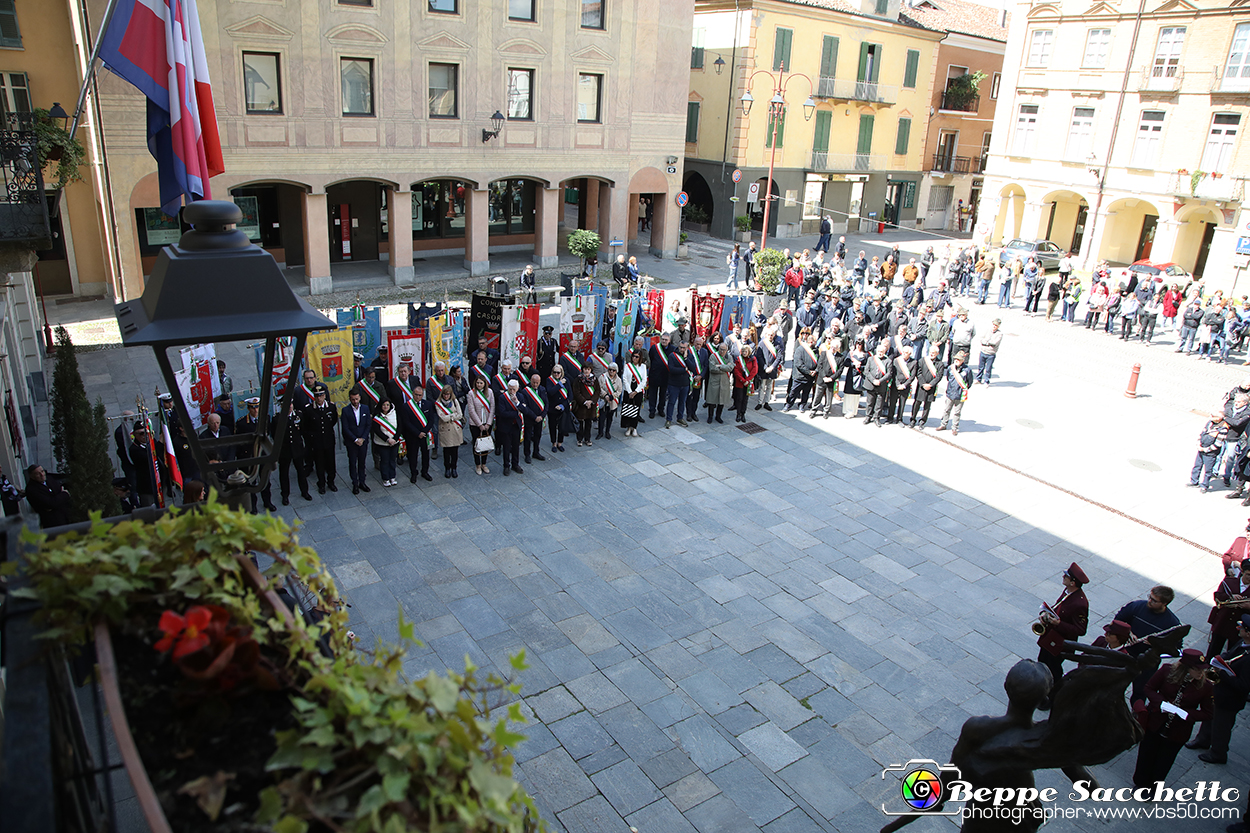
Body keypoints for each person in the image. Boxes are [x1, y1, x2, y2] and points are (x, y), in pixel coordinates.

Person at [1132, 649, 1214, 787]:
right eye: (1197, 669)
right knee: (1146, 754)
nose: (1201, 673)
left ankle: (1154, 787)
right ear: (1186, 668)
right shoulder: (1166, 670)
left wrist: (1185, 713)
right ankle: (1140, 783)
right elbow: (1149, 688)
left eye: (1202, 670)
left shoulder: (1206, 686)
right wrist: (1162, 703)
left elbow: (1208, 713)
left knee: (1165, 760)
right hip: (1156, 721)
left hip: (1179, 729)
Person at [1187, 616, 1250, 764]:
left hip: (1230, 699)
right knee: (1210, 716)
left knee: (1221, 726)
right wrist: (1220, 659)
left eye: (1242, 626)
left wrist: (1222, 672)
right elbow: (1229, 654)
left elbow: (1244, 686)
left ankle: (1218, 753)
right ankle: (1203, 740)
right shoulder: (1243, 643)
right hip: (1220, 691)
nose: (1239, 627)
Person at [1034, 562, 1089, 707]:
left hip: (1060, 643)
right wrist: (1046, 613)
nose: (1063, 577)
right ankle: (1041, 691)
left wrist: (1059, 624)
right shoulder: (1067, 592)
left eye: (1066, 576)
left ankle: (1052, 698)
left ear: (1073, 582)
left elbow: (1080, 630)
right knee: (1042, 662)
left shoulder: (1080, 603)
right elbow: (1059, 609)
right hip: (1050, 637)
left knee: (1053, 670)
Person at [1115, 585, 1183, 702]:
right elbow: (1118, 620)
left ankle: (1136, 714)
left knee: (1140, 692)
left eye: (1154, 600)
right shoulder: (1137, 606)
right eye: (1150, 597)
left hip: (1148, 663)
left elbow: (1176, 648)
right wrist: (1128, 633)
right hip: (1126, 654)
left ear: (1164, 603)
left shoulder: (1172, 623)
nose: (1149, 601)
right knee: (1115, 685)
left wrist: (1157, 644)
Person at [389, 365, 433, 483]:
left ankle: (425, 472)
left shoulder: (428, 405)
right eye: (415, 395)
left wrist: (424, 431)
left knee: (425, 455)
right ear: (412, 394)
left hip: (424, 435)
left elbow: (431, 420)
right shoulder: (406, 406)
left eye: (419, 395)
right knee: (413, 456)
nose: (417, 397)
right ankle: (414, 473)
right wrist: (417, 433)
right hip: (412, 435)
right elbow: (406, 422)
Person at [302, 385, 338, 494]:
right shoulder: (309, 409)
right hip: (317, 442)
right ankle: (321, 483)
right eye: (317, 396)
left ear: (325, 396)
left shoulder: (331, 407)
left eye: (321, 395)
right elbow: (306, 426)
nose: (319, 398)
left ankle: (331, 482)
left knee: (331, 462)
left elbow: (333, 420)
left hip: (328, 440)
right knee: (319, 464)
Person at [274, 402, 311, 504]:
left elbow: (303, 429)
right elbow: (274, 435)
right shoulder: (277, 419)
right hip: (285, 450)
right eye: (286, 404)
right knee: (284, 473)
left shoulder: (298, 415)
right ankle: (285, 494)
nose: (289, 407)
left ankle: (305, 491)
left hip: (297, 449)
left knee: (301, 471)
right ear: (281, 406)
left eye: (290, 404)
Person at [340, 389, 371, 494]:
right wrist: (355, 439)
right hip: (352, 442)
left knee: (362, 462)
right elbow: (345, 428)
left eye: (357, 399)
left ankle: (362, 482)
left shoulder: (365, 409)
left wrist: (363, 438)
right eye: (353, 399)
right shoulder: (346, 410)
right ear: (350, 399)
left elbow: (368, 425)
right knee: (353, 463)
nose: (355, 401)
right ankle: (355, 483)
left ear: (360, 398)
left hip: (363, 441)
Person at [935, 350, 972, 436]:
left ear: (962, 360)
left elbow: (969, 382)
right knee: (946, 410)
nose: (956, 361)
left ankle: (954, 428)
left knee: (957, 412)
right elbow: (948, 378)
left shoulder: (967, 370)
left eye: (958, 359)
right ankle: (943, 424)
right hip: (950, 393)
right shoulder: (950, 368)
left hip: (960, 394)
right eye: (955, 359)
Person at [1190, 410, 1227, 491]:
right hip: (1201, 447)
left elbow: (1218, 444)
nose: (1212, 417)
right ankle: (1194, 481)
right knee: (1197, 466)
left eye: (1214, 416)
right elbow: (1202, 433)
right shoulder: (1209, 423)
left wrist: (1205, 449)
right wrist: (1198, 443)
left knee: (1208, 470)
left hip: (1210, 453)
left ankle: (1204, 485)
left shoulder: (1223, 428)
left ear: (1220, 418)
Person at [911, 344, 944, 429]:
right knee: (917, 403)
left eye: (933, 353)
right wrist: (923, 384)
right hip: (922, 386)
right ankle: (913, 419)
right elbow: (918, 373)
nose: (932, 354)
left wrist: (930, 385)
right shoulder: (922, 360)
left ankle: (922, 421)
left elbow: (939, 376)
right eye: (930, 352)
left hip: (931, 387)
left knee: (927, 405)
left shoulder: (940, 363)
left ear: (937, 353)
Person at [466, 377, 494, 475]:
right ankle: (477, 464)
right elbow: (471, 410)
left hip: (487, 423)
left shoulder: (490, 392)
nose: (479, 385)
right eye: (477, 383)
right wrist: (479, 424)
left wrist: (489, 423)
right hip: (475, 424)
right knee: (476, 444)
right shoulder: (471, 393)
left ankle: (484, 464)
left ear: (484, 383)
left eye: (481, 383)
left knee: (485, 444)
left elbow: (492, 407)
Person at [786, 328, 818, 412]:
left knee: (806, 393)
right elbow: (799, 363)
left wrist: (816, 371)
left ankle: (802, 404)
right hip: (800, 376)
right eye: (815, 342)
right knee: (793, 392)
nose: (816, 343)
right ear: (810, 342)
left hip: (810, 378)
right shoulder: (800, 350)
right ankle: (789, 404)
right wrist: (808, 372)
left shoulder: (816, 351)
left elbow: (820, 363)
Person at [496, 379, 524, 475]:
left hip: (516, 425)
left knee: (516, 446)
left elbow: (524, 408)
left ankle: (515, 464)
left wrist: (517, 403)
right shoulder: (502, 398)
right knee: (507, 447)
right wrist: (516, 413)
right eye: (510, 389)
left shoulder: (520, 396)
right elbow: (503, 413)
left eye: (514, 389)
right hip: (506, 425)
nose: (512, 391)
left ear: (517, 389)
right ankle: (506, 466)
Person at [434, 385, 463, 478]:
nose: (446, 396)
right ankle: (447, 468)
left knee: (455, 451)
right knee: (446, 451)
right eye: (445, 394)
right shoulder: (438, 403)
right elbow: (442, 417)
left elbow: (460, 414)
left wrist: (450, 417)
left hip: (455, 429)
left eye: (448, 394)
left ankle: (454, 468)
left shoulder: (454, 401)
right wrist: (453, 416)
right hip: (445, 429)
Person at [372, 399, 400, 486]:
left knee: (392, 460)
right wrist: (387, 439)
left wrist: (395, 439)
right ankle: (385, 478)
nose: (386, 407)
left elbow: (400, 426)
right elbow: (377, 430)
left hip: (394, 442)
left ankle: (392, 476)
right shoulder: (377, 416)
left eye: (387, 405)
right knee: (384, 461)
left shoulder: (395, 413)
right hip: (382, 443)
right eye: (384, 405)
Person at [520, 374, 548, 462]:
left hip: (539, 418)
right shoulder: (525, 391)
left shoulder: (542, 390)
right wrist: (534, 417)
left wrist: (542, 416)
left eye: (537, 383)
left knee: (537, 436)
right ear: (530, 381)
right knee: (527, 437)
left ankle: (536, 452)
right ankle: (527, 454)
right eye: (533, 382)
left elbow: (546, 404)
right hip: (530, 418)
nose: (535, 384)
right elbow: (525, 407)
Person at [862, 341, 890, 427]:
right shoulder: (871, 359)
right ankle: (868, 416)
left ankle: (877, 418)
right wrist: (873, 380)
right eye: (879, 351)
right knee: (870, 402)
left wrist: (880, 381)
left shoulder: (888, 361)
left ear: (884, 352)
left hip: (881, 385)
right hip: (871, 384)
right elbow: (866, 371)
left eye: (882, 352)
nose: (880, 353)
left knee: (879, 403)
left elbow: (889, 374)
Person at [664, 340, 691, 428]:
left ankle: (680, 418)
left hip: (685, 383)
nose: (682, 349)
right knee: (671, 402)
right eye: (680, 347)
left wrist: (686, 358)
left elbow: (693, 367)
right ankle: (669, 419)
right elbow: (671, 369)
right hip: (674, 383)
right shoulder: (672, 356)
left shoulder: (689, 355)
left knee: (682, 402)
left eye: (684, 348)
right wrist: (684, 370)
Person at [573, 365, 599, 446]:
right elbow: (576, 392)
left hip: (591, 406)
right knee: (580, 423)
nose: (587, 371)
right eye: (585, 369)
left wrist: (591, 401)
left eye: (588, 369)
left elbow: (597, 391)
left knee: (588, 423)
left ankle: (587, 439)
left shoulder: (595, 379)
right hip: (581, 405)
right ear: (582, 370)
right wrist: (584, 401)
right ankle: (579, 439)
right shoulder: (578, 379)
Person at [732, 340, 757, 423]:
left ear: (749, 352)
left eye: (745, 351)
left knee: (745, 399)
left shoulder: (753, 359)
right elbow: (736, 371)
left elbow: (754, 370)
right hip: (740, 382)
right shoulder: (738, 359)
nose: (744, 352)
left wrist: (748, 380)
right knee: (739, 398)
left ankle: (743, 414)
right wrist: (743, 380)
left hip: (748, 383)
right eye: (742, 351)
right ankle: (738, 414)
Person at [647, 333, 670, 419]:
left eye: (666, 340)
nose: (664, 341)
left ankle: (661, 409)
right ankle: (652, 410)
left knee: (663, 394)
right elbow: (651, 358)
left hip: (665, 376)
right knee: (652, 394)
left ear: (669, 340)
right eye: (663, 339)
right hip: (655, 375)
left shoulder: (672, 348)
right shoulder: (654, 348)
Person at [841, 339, 865, 420]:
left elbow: (867, 366)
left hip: (859, 376)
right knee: (848, 393)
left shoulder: (865, 355)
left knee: (856, 394)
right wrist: (853, 364)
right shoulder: (851, 353)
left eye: (860, 344)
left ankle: (853, 411)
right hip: (851, 374)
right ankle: (847, 410)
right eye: (857, 343)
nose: (858, 345)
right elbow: (846, 363)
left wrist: (860, 367)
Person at [976, 318, 1003, 385]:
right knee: (980, 367)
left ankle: (986, 381)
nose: (994, 326)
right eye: (993, 325)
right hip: (983, 351)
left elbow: (994, 343)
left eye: (996, 325)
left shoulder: (999, 334)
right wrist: (987, 342)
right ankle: (978, 379)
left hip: (991, 353)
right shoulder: (987, 330)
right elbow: (981, 339)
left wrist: (986, 342)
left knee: (988, 368)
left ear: (998, 326)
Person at [598, 366, 622, 439]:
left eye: (613, 370)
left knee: (610, 417)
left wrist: (612, 396)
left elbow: (619, 391)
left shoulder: (618, 380)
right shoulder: (602, 377)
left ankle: (607, 432)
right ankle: (600, 432)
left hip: (612, 401)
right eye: (610, 370)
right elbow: (599, 388)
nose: (611, 371)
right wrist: (605, 395)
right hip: (603, 400)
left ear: (616, 371)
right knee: (601, 418)